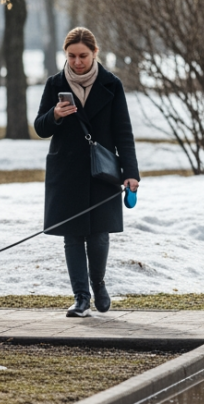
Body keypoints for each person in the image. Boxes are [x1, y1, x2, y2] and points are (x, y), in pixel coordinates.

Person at [34, 27, 140, 318]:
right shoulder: (55, 83)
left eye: (83, 55)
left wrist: (131, 172)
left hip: (102, 170)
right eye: (71, 56)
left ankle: (99, 284)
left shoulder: (111, 84)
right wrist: (55, 115)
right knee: (72, 235)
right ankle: (81, 297)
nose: (77, 62)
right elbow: (40, 127)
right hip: (66, 170)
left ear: (95, 53)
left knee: (98, 234)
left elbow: (123, 132)